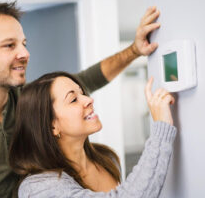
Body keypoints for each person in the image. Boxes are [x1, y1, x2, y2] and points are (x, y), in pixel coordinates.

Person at [0, 1, 161, 198]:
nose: (25, 53)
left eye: (24, 44)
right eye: (9, 45)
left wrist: (134, 50)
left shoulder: (28, 102)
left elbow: (87, 79)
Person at [9, 72, 177, 198]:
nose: (88, 100)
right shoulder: (38, 188)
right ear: (51, 126)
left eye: (82, 93)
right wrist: (161, 130)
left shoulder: (105, 158)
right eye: (73, 99)